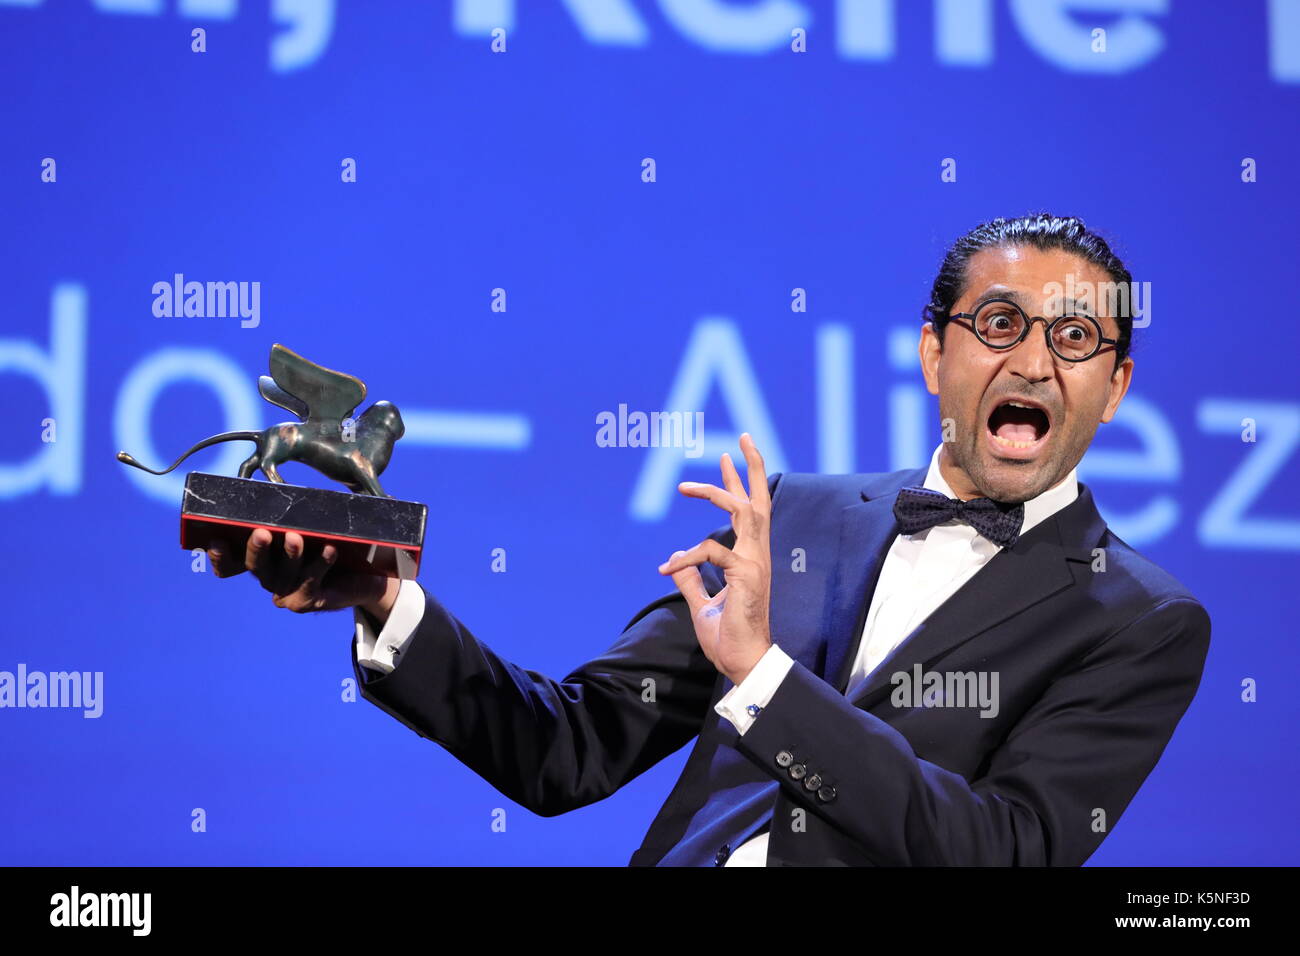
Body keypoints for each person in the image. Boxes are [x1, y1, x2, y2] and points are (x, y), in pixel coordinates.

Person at [207, 214, 1210, 866]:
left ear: (1114, 386)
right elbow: (568, 747)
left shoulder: (1140, 619)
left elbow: (1004, 851)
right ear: (933, 352)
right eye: (999, 322)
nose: (1034, 359)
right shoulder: (796, 515)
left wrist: (765, 680)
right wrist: (389, 602)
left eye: (1076, 338)